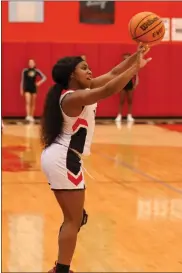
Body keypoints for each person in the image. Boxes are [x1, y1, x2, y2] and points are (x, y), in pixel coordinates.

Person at [40, 44, 151, 273]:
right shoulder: (73, 97)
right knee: (74, 219)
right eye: (84, 68)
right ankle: (61, 270)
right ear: (72, 74)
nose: (90, 72)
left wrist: (134, 58)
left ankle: (61, 268)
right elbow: (109, 89)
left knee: (76, 218)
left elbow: (111, 75)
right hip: (63, 158)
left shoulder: (77, 92)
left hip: (63, 157)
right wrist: (134, 69)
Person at [115, 53, 139, 123]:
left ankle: (129, 115)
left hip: (130, 84)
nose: (126, 59)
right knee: (121, 100)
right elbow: (117, 77)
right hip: (123, 84)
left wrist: (135, 84)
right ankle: (119, 116)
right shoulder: (121, 67)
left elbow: (136, 76)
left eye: (127, 58)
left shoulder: (132, 66)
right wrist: (118, 85)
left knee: (130, 100)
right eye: (125, 58)